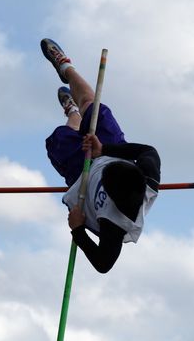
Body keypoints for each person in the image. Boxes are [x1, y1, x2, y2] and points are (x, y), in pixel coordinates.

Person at [40, 39, 161, 273]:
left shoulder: (114, 225)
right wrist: (104, 151)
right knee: (93, 106)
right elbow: (148, 151)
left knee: (64, 134)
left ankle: (71, 111)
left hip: (82, 183)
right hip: (111, 150)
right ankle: (65, 67)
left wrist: (78, 230)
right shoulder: (150, 181)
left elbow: (104, 264)